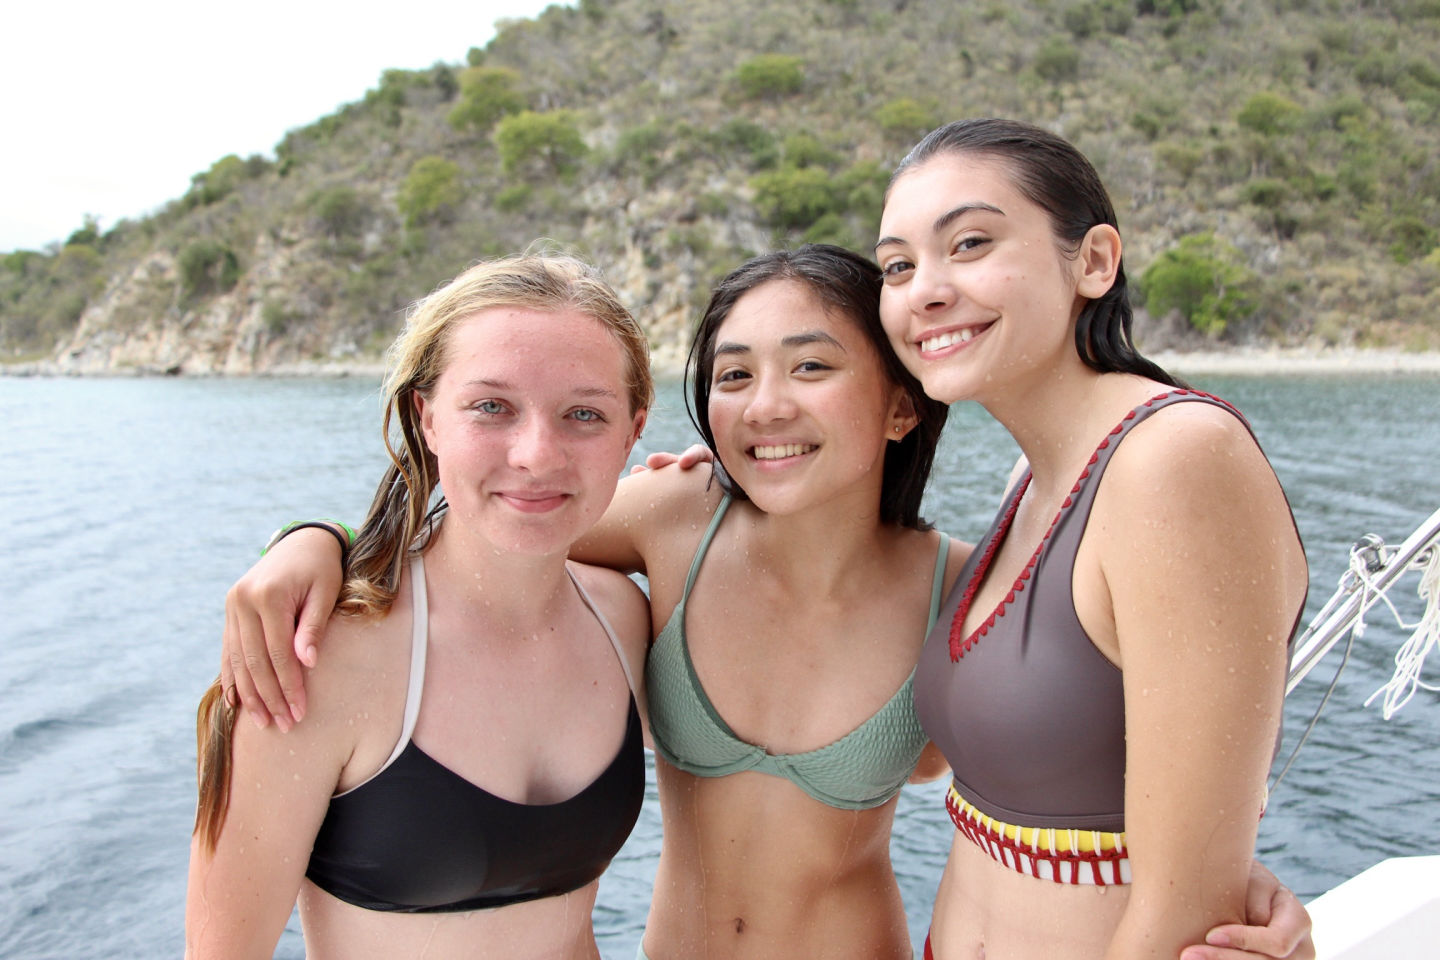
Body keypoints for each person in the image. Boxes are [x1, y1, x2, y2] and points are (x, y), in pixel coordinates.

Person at [216, 245, 1313, 960]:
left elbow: (1072, 765)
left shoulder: (958, 584)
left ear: (899, 408)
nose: (765, 405)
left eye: (811, 367)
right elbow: (490, 521)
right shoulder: (670, 522)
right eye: (734, 375)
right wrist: (309, 543)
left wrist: (1231, 880)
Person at [875, 119, 1309, 960]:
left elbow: (1188, 911)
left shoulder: (1174, 461)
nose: (924, 291)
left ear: (1095, 261)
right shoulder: (1035, 474)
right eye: (898, 266)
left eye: (969, 244)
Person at [184, 253, 654, 960]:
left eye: (584, 414)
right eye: (492, 407)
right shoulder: (317, 653)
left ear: (632, 432)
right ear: (427, 418)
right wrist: (309, 536)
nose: (536, 454)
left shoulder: (621, 619)